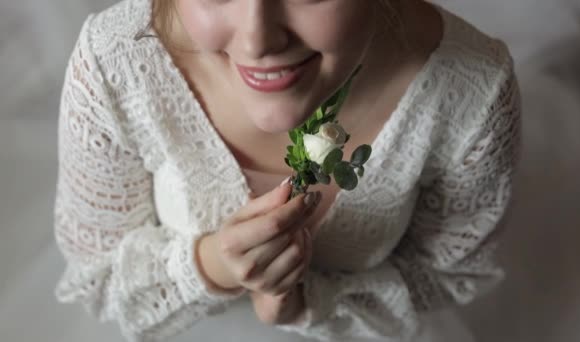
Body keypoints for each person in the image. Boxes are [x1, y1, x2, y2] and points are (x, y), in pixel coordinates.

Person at [53, 0, 522, 341]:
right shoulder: (113, 66)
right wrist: (213, 265)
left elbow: (445, 276)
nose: (259, 40)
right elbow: (97, 277)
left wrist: (303, 304)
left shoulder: (472, 94)